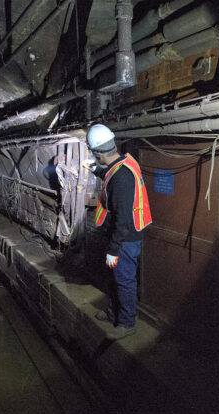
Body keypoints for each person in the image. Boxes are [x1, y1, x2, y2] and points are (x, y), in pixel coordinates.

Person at [83, 124, 152, 338]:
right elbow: (109, 175)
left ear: (98, 153)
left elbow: (122, 219)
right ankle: (114, 312)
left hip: (125, 239)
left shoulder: (122, 178)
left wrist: (113, 249)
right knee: (115, 278)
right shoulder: (123, 163)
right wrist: (93, 169)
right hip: (121, 236)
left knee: (124, 279)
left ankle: (126, 323)